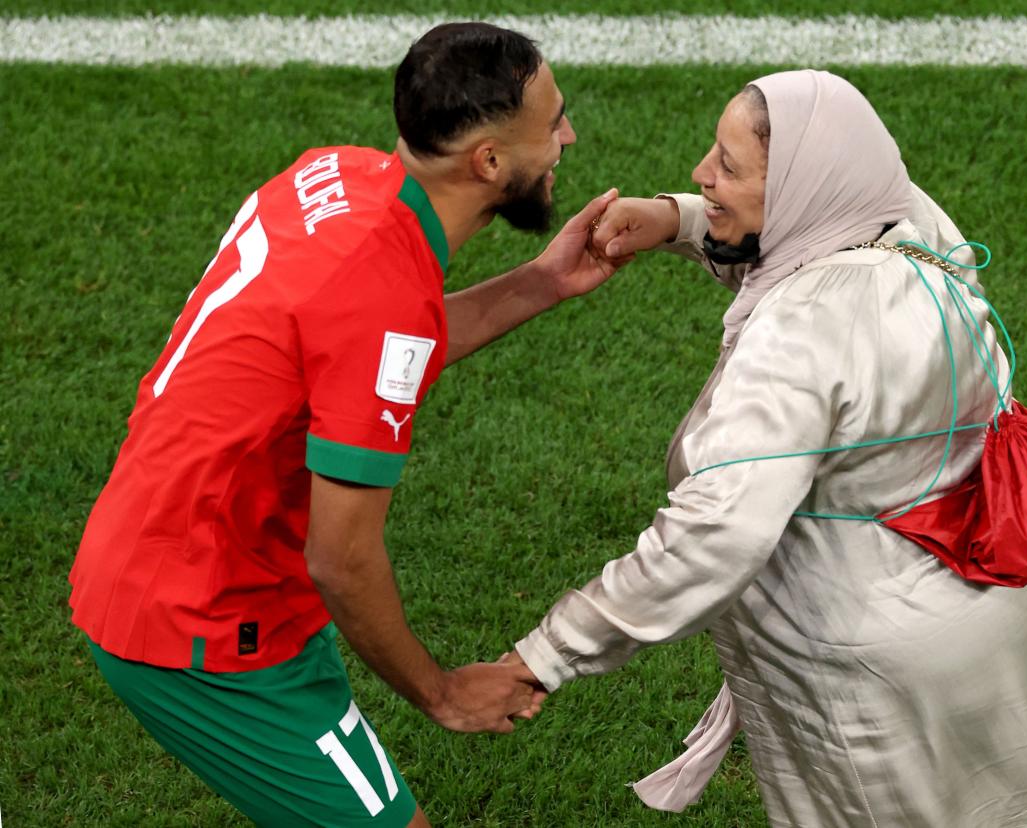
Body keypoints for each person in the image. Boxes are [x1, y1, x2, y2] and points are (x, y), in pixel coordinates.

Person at [511, 70, 1027, 826]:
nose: (702, 171)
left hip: (878, 668)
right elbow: (807, 239)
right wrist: (680, 219)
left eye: (727, 166)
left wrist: (549, 652)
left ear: (799, 185)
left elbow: (713, 533)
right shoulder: (907, 214)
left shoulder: (800, 335)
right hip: (1015, 605)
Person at [69, 23, 624, 828]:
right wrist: (442, 693)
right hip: (201, 620)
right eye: (554, 121)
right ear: (490, 162)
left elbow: (364, 346)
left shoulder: (339, 174)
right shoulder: (382, 298)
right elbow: (342, 556)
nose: (567, 135)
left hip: (172, 549)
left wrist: (541, 283)